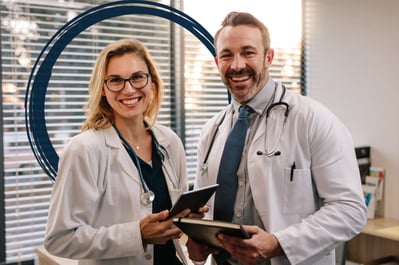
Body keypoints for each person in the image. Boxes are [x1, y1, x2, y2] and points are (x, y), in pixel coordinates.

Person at [186, 11, 367, 265]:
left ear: (268, 57)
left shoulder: (313, 120)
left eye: (248, 52)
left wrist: (278, 244)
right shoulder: (211, 130)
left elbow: (351, 210)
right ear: (217, 62)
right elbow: (205, 209)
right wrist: (198, 242)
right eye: (227, 55)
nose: (237, 65)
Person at [44, 38, 191, 265]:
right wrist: (137, 234)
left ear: (152, 83)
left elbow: (172, 220)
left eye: (137, 77)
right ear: (102, 89)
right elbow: (60, 239)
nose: (128, 89)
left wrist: (189, 218)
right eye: (115, 80)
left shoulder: (170, 142)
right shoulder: (84, 149)